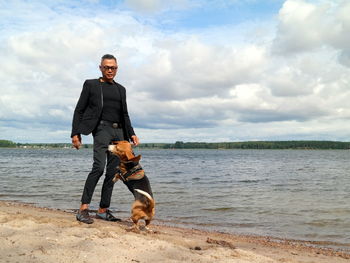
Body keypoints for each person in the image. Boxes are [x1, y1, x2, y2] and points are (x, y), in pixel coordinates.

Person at [71, 54, 139, 224]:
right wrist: (75, 133)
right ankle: (83, 209)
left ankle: (103, 210)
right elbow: (79, 110)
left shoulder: (121, 89)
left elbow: (125, 114)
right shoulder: (91, 85)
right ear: (100, 68)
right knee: (99, 168)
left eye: (113, 67)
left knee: (113, 172)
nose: (110, 70)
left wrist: (131, 133)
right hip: (102, 129)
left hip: (120, 133)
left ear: (117, 68)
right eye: (106, 67)